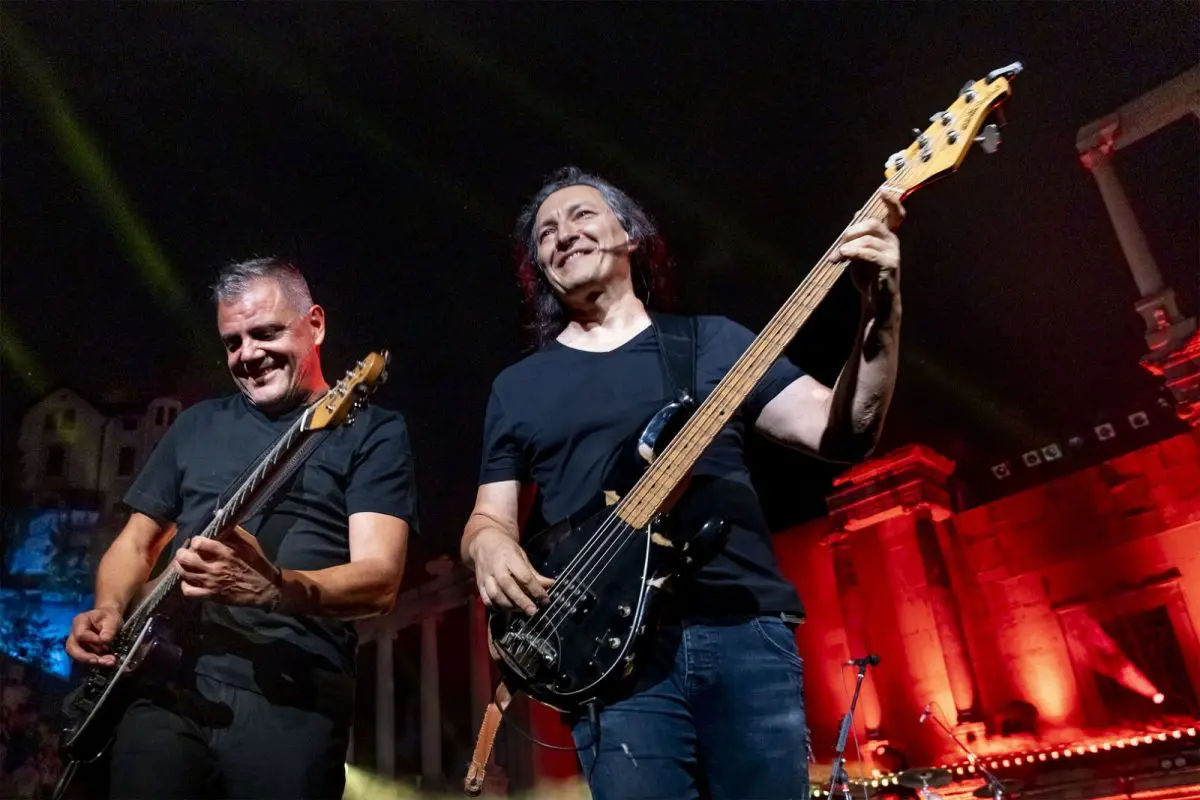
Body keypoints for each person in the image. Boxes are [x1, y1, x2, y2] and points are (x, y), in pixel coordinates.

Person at [461, 167, 903, 799]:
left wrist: (881, 310)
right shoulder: (517, 388)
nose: (563, 234)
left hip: (742, 629)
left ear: (630, 235)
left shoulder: (712, 343)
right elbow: (489, 516)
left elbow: (843, 430)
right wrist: (487, 545)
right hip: (610, 660)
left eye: (582, 215)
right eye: (545, 233)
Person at [64, 257, 419, 800]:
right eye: (233, 342)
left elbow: (380, 579)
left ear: (316, 325)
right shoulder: (196, 424)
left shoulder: (374, 432)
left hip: (293, 702)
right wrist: (110, 607)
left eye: (266, 333)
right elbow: (136, 542)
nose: (247, 355)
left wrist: (274, 589)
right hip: (163, 688)